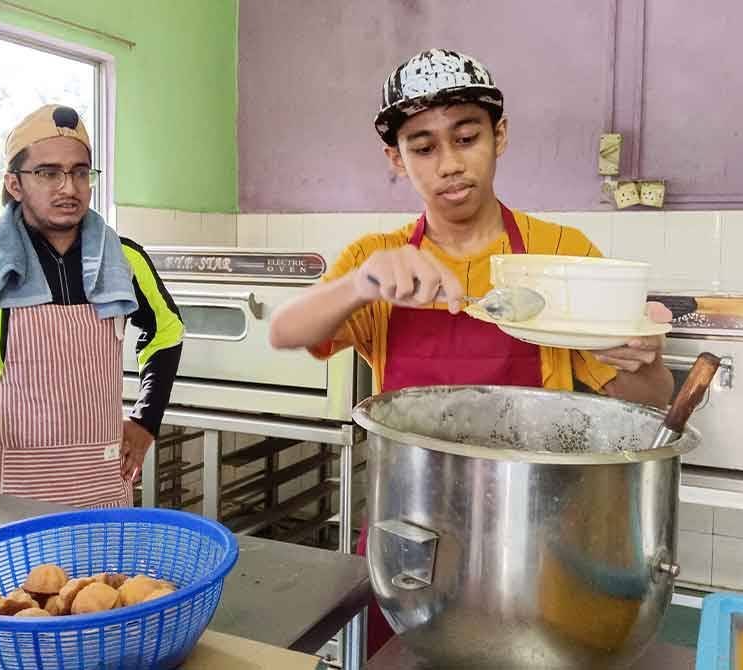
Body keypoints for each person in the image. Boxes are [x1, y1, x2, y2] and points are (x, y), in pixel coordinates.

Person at [268, 48, 674, 656]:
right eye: (423, 147)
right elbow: (285, 332)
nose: (450, 165)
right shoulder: (377, 257)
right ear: (395, 158)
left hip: (536, 539)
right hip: (411, 537)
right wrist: (360, 284)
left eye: (466, 137)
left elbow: (649, 402)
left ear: (499, 135)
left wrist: (640, 363)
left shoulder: (560, 253)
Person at [0, 104, 184, 508]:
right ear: (14, 184)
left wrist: (146, 419)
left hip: (103, 492)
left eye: (81, 172)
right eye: (48, 173)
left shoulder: (125, 261)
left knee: (107, 577)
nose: (69, 187)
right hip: (8, 500)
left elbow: (167, 332)